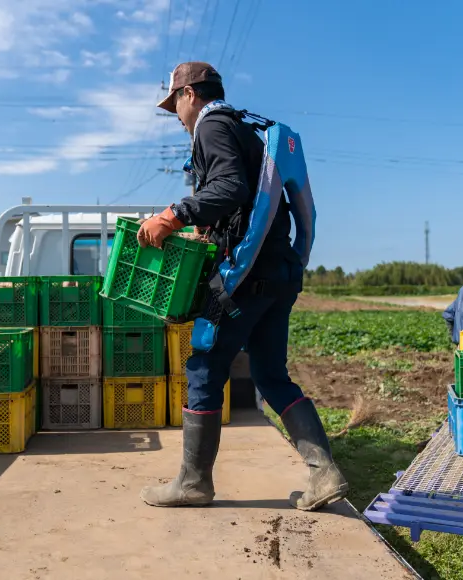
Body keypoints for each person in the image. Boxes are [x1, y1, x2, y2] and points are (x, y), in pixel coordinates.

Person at [135, 61, 349, 511]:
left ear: (189, 94)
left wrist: (172, 215)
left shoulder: (212, 126)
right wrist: (204, 225)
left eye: (175, 104)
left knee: (204, 367)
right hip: (279, 271)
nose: (176, 115)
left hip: (245, 277)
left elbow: (229, 187)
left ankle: (193, 483)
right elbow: (243, 198)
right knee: (270, 375)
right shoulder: (244, 128)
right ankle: (324, 472)